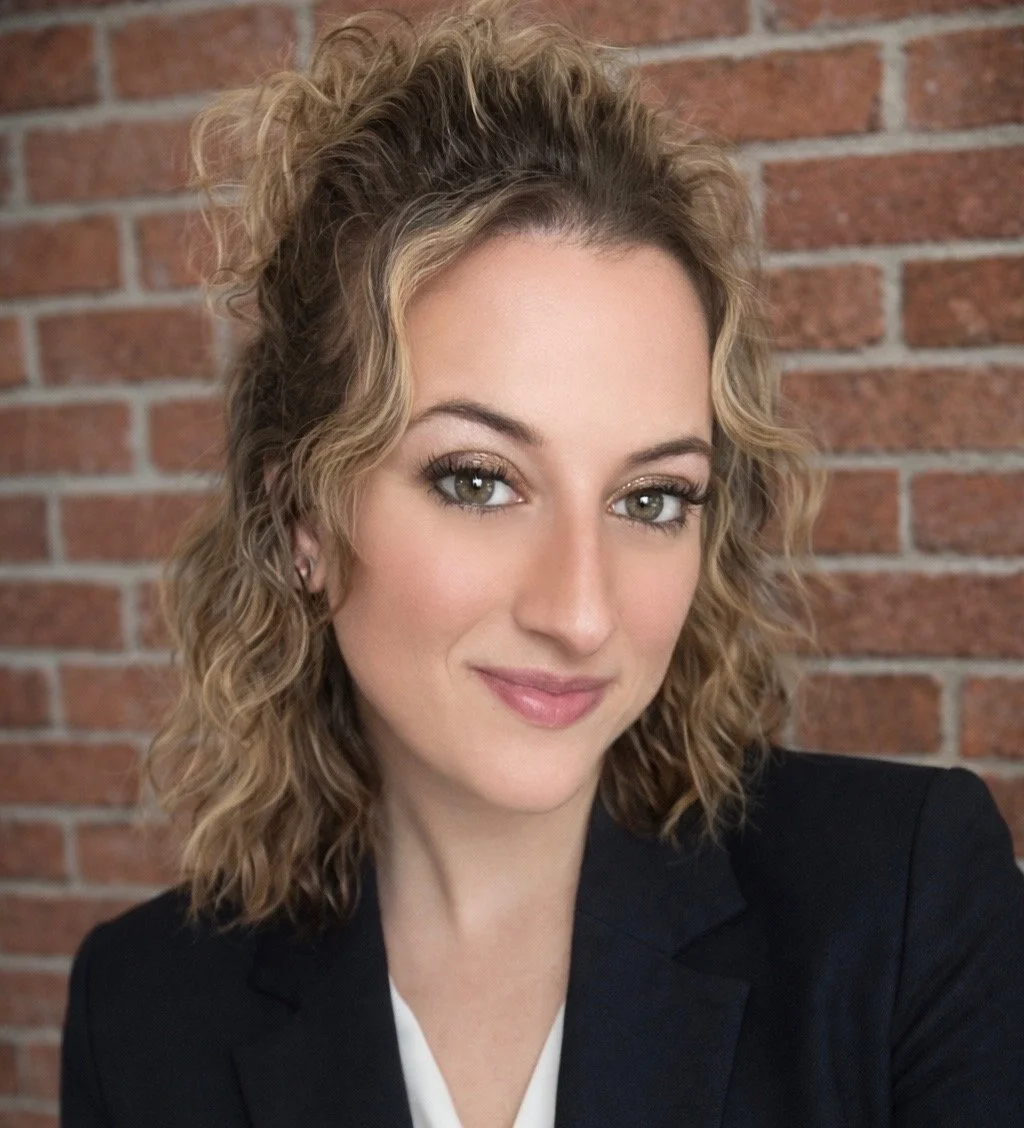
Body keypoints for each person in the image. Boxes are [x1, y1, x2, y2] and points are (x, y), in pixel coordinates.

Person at [59, 1, 1024, 1125]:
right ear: (301, 520)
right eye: (478, 481)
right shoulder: (141, 1011)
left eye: (650, 499)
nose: (580, 612)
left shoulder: (904, 908)